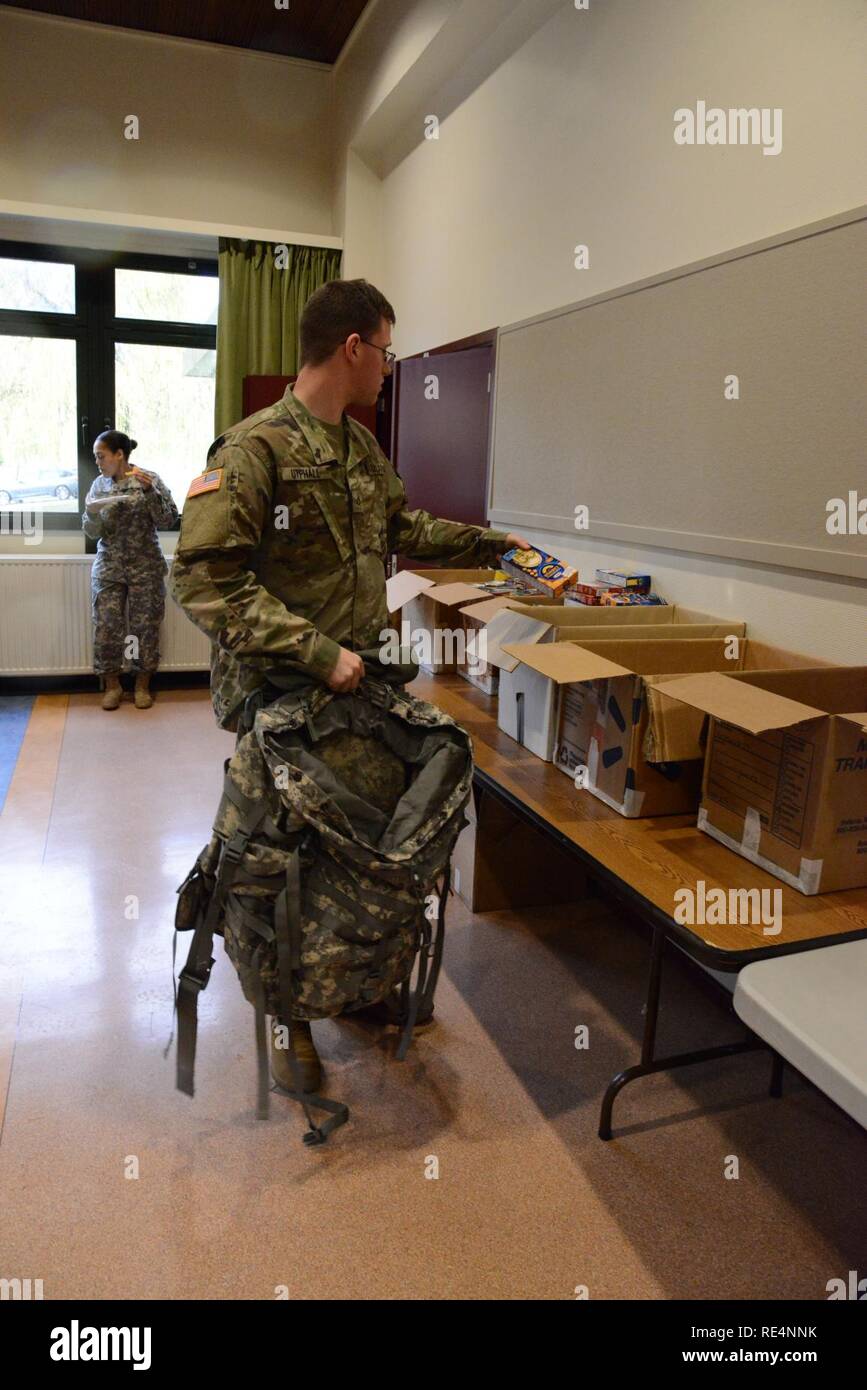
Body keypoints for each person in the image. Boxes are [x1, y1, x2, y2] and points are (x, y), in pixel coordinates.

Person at [170, 278, 531, 1092]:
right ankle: (289, 1021)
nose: (390, 371)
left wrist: (493, 546)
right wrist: (312, 650)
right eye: (387, 352)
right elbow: (201, 578)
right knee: (284, 863)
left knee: (366, 852)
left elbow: (401, 527)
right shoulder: (252, 450)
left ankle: (359, 986)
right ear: (354, 348)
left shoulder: (359, 448)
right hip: (284, 701)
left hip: (361, 695)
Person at [83, 430, 179, 710]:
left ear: (119, 455)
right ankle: (112, 686)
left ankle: (141, 685)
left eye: (101, 456)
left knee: (143, 628)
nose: (98, 462)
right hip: (109, 566)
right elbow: (92, 532)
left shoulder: (148, 480)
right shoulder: (98, 486)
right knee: (107, 627)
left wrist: (150, 493)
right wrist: (90, 514)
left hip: (144, 566)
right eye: (96, 457)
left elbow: (168, 519)